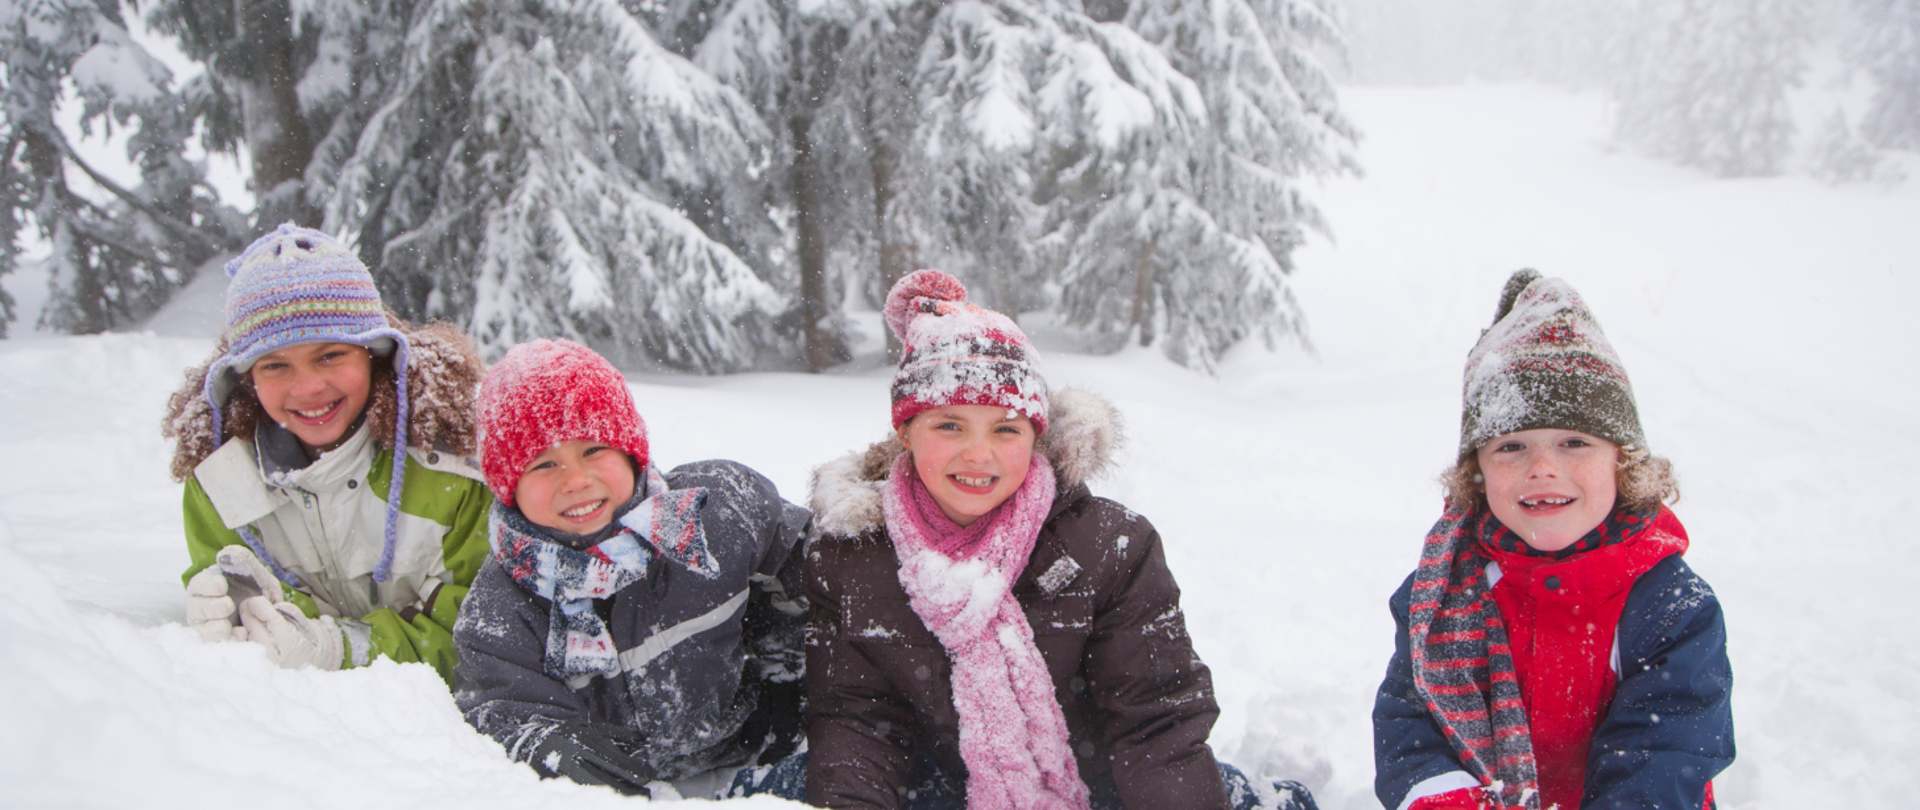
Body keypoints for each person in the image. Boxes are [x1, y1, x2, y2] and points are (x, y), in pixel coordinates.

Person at [798, 270, 1317, 810]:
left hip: (1097, 785)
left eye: (1006, 429)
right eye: (949, 426)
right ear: (905, 431)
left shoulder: (1112, 547)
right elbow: (859, 723)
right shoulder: (850, 556)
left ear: (1035, 437)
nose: (979, 454)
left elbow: (1155, 723)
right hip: (932, 786)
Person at [1372, 270, 1734, 810]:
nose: (1542, 467)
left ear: (1623, 461)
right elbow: (1412, 725)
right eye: (1511, 447)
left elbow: (1666, 750)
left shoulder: (1670, 605)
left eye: (1574, 443)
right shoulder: (1441, 594)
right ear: (1477, 474)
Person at [452, 338, 808, 799]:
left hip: (758, 751)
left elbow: (814, 575)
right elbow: (503, 708)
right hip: (627, 788)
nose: (575, 480)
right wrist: (553, 752)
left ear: (631, 452)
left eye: (593, 450)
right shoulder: (500, 606)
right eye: (543, 464)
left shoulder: (715, 513)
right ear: (508, 487)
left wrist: (792, 687)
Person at [163, 224, 490, 683]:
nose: (308, 387)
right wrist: (232, 614)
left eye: (330, 355)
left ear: (376, 355)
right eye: (275, 365)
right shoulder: (221, 486)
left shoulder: (456, 469)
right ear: (246, 380)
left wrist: (339, 647)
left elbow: (485, 640)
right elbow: (252, 627)